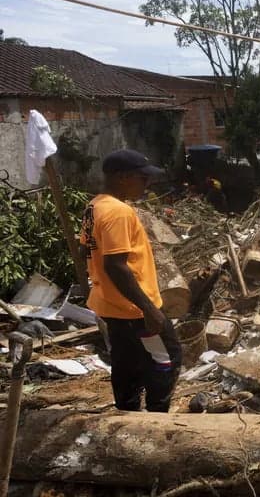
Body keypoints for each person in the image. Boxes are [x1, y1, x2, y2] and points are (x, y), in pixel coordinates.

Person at [80, 149, 181, 412]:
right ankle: (157, 418)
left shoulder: (94, 206)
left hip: (111, 306)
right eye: (142, 179)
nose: (146, 185)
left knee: (127, 362)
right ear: (123, 177)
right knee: (166, 358)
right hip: (134, 311)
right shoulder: (118, 212)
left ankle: (127, 414)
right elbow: (115, 265)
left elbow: (87, 250)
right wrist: (149, 309)